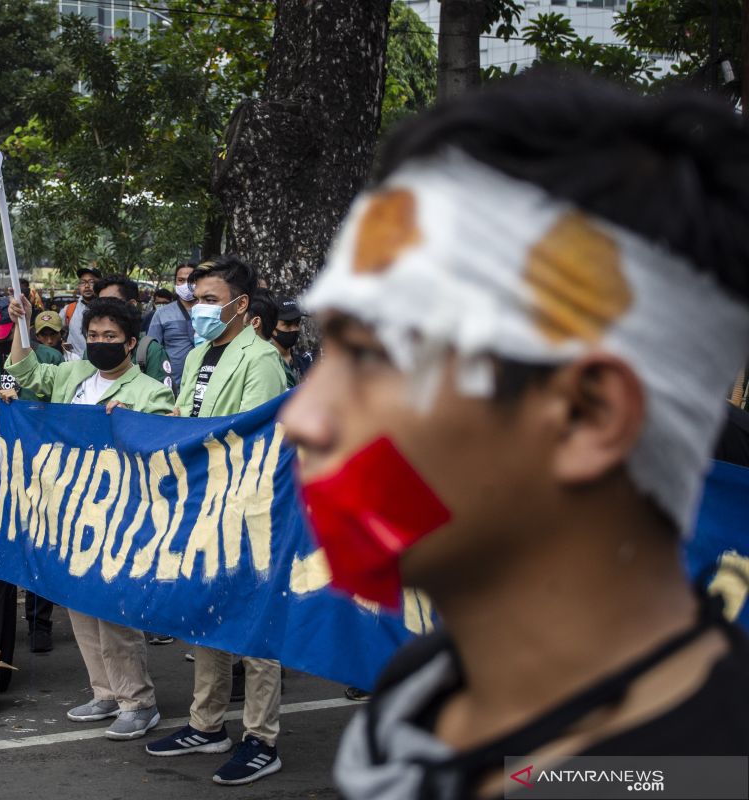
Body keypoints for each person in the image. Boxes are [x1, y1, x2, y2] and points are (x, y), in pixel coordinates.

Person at [280, 73, 749, 799]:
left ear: (587, 416)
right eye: (325, 352)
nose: (301, 419)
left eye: (371, 355)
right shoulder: (421, 693)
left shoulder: (701, 773)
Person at [147, 256, 287, 786]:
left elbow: (257, 439)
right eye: (195, 297)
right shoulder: (204, 351)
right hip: (202, 503)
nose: (197, 306)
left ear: (240, 304)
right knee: (205, 616)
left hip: (248, 510)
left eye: (208, 298)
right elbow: (187, 417)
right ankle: (207, 726)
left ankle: (260, 738)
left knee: (253, 624)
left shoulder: (262, 359)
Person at [6, 294, 174, 740]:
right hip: (69, 509)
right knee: (79, 604)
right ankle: (105, 691)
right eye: (94, 335)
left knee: (115, 610)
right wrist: (20, 326)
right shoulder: (74, 373)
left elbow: (162, 444)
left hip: (118, 515)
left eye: (110, 337)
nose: (100, 343)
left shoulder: (149, 391)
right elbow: (25, 372)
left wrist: (133, 422)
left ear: (131, 343)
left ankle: (138, 701)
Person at [0, 295, 62, 651]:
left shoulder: (46, 357)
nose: (0, 341)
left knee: (38, 538)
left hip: (36, 459)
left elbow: (59, 405)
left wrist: (22, 404)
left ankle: (40, 622)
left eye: (6, 334)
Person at [96, 276, 171, 386]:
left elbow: (161, 401)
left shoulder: (151, 351)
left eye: (111, 303)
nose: (103, 310)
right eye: (99, 304)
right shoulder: (92, 348)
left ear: (131, 304)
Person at [147, 263, 198, 393]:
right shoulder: (162, 313)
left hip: (203, 384)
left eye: (191, 280)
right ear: (175, 282)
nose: (186, 284)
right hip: (172, 387)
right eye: (181, 280)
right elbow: (152, 350)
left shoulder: (209, 311)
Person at [272, 299, 313, 388]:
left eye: (297, 323)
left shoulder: (305, 363)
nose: (294, 329)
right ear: (271, 326)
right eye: (288, 324)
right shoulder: (265, 363)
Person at [63, 266, 98, 357]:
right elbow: (55, 330)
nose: (87, 286)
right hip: (74, 363)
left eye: (91, 282)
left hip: (99, 361)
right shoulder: (69, 309)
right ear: (79, 286)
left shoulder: (107, 308)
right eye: (83, 282)